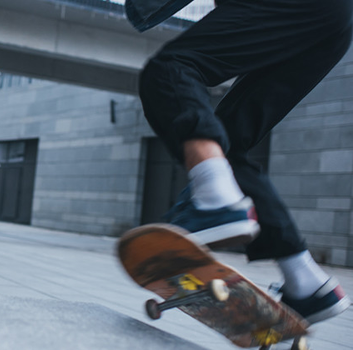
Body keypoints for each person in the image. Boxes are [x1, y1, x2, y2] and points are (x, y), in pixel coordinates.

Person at [137, 0, 351, 324]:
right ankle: (305, 281)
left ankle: (215, 200)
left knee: (170, 69)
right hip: (334, 20)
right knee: (229, 140)